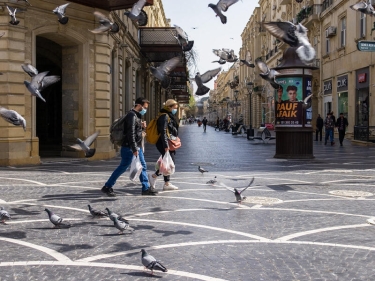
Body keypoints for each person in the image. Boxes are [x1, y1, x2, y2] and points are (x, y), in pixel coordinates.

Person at [102, 97, 157, 197]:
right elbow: (130, 133)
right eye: (145, 107)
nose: (145, 110)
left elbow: (134, 130)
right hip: (130, 147)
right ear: (139, 105)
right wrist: (134, 148)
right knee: (124, 167)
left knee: (141, 166)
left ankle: (145, 188)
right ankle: (107, 186)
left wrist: (141, 126)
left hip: (134, 146)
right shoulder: (131, 115)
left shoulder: (136, 115)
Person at [149, 99, 180, 191]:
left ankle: (166, 183)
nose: (175, 110)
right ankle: (154, 176)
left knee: (167, 163)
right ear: (169, 107)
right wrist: (166, 146)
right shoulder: (164, 116)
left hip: (166, 141)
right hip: (163, 142)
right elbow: (163, 131)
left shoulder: (168, 116)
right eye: (174, 108)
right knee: (170, 163)